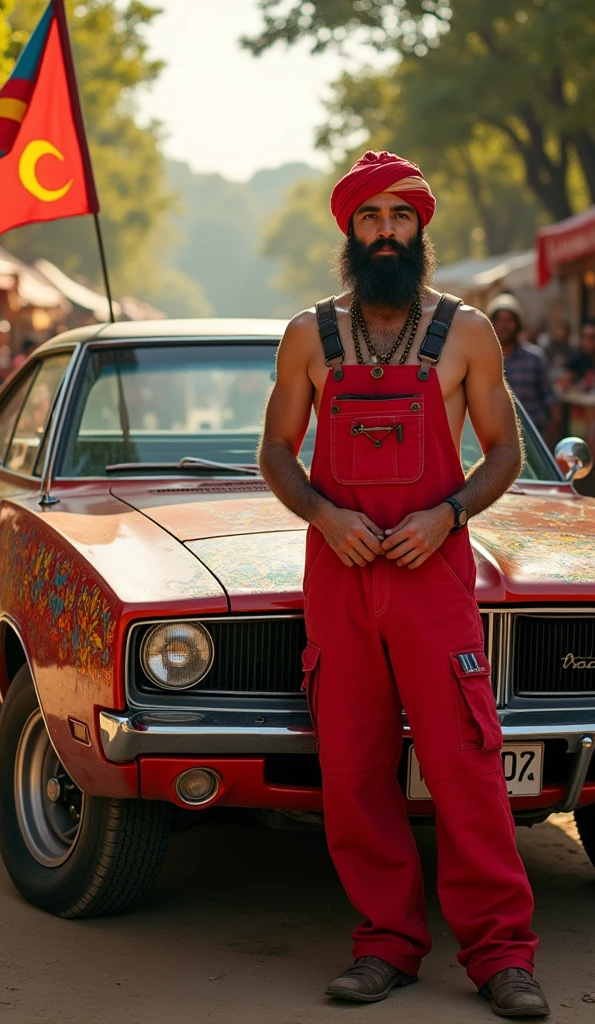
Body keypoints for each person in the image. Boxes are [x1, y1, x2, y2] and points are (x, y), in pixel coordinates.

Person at [259, 150, 548, 1018]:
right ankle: (386, 943)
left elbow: (506, 451)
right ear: (349, 229)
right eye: (370, 217)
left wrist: (450, 515)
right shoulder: (308, 334)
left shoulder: (465, 333)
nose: (387, 230)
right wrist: (322, 514)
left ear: (421, 227)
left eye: (401, 216)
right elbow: (275, 452)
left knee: (465, 762)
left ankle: (502, 955)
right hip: (340, 576)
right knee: (354, 770)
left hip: (433, 575)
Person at [487, 293, 559, 440]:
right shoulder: (483, 359)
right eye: (499, 320)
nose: (504, 325)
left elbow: (550, 397)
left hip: (532, 437)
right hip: (493, 438)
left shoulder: (535, 357)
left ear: (518, 323)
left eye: (509, 320)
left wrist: (553, 428)